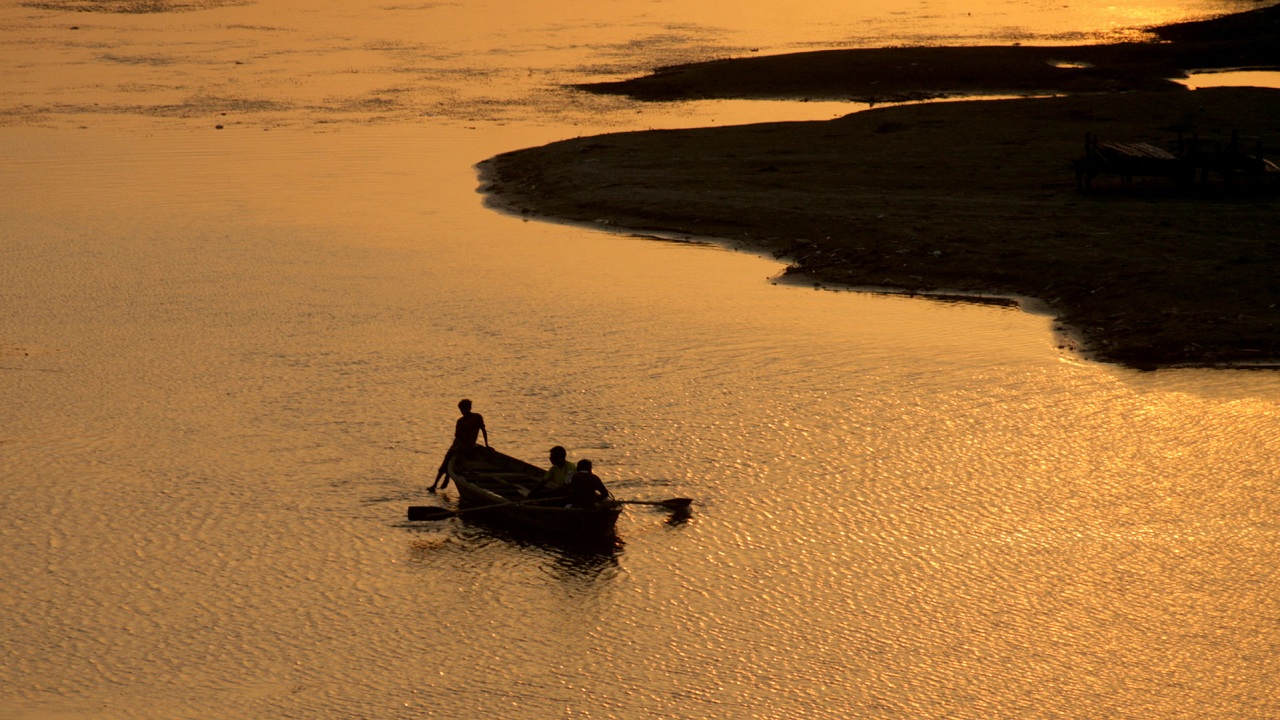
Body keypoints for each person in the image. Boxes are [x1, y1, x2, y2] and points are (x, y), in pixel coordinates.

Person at [430, 399, 488, 492]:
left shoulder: (477, 417)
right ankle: (435, 484)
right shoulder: (460, 421)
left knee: (451, 456)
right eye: (461, 410)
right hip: (459, 443)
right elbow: (458, 437)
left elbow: (483, 430)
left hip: (467, 444)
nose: (463, 412)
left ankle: (447, 477)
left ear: (469, 408)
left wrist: (487, 445)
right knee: (447, 459)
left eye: (464, 409)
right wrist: (460, 446)